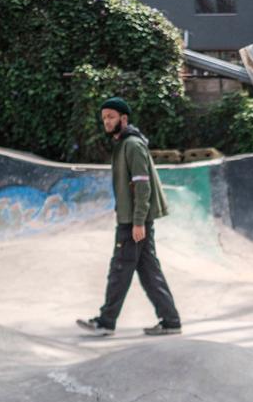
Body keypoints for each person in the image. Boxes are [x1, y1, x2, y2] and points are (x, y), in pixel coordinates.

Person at [77, 97, 181, 337]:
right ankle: (171, 320)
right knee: (148, 271)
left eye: (111, 117)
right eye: (104, 118)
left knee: (120, 269)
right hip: (133, 219)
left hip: (133, 221)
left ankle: (106, 321)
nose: (106, 122)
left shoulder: (132, 145)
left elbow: (142, 186)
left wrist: (137, 222)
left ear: (124, 119)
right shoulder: (123, 144)